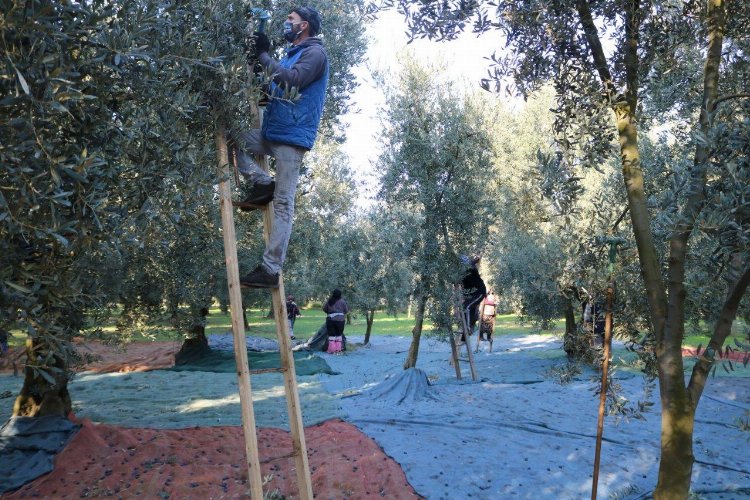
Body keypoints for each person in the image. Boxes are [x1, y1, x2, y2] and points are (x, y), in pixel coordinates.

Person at [236, 6, 330, 289]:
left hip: (292, 138)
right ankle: (262, 181)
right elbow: (275, 89)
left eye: (291, 20)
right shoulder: (291, 55)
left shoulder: (316, 54)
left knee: (284, 204)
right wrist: (259, 68)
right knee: (234, 137)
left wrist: (264, 56)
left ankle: (270, 269)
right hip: (273, 132)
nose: (286, 23)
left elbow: (293, 82)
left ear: (305, 26)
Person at [461, 255, 487, 341]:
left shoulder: (470, 270)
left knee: (467, 307)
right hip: (472, 294)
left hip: (479, 292)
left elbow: (472, 263)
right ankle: (467, 330)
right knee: (465, 307)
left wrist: (476, 259)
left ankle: (468, 329)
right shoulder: (466, 271)